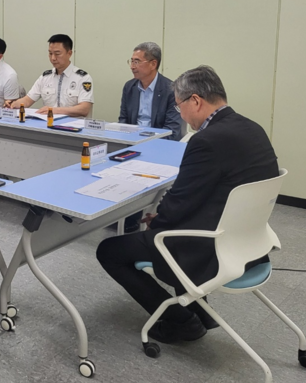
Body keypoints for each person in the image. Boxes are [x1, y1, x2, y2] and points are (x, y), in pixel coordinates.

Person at [96, 66, 279, 344]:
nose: (180, 113)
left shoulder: (206, 140)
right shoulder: (253, 128)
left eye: (179, 105)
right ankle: (200, 312)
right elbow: (204, 194)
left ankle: (180, 322)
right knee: (172, 223)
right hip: (249, 242)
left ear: (195, 101)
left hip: (211, 248)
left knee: (109, 250)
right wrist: (167, 215)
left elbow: (180, 202)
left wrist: (157, 220)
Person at [116, 42, 183, 233]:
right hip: (132, 144)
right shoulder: (129, 87)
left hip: (159, 147)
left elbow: (172, 130)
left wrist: (146, 147)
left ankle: (135, 215)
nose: (132, 66)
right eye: (131, 61)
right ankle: (122, 212)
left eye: (137, 61)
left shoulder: (171, 89)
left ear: (153, 64)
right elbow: (123, 120)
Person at [9, 34, 93, 117]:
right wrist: (13, 104)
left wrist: (54, 110)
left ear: (69, 53)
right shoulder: (45, 77)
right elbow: (27, 100)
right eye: (50, 53)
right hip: (48, 123)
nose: (53, 58)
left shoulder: (83, 78)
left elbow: (84, 109)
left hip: (72, 124)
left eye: (57, 54)